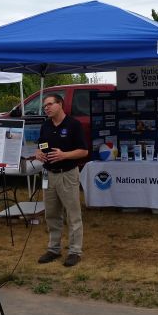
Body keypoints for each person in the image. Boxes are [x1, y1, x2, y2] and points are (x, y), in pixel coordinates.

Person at [34, 93, 89, 267]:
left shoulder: (74, 125)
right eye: (45, 106)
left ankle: (74, 251)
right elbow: (42, 145)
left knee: (73, 214)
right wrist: (39, 153)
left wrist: (64, 155)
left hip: (67, 174)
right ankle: (53, 249)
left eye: (50, 104)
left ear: (60, 104)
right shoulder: (45, 126)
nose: (47, 108)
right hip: (48, 175)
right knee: (51, 214)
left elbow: (83, 151)